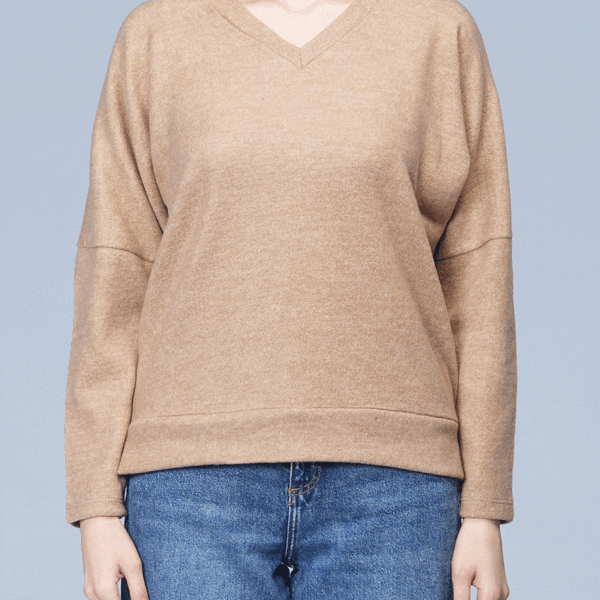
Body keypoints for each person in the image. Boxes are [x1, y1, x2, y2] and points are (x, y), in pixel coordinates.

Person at [64, 0, 517, 598]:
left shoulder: (436, 31)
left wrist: (484, 506)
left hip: (396, 489)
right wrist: (96, 505)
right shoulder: (158, 34)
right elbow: (115, 271)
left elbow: (478, 281)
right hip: (189, 488)